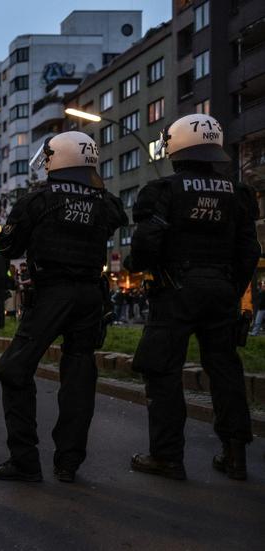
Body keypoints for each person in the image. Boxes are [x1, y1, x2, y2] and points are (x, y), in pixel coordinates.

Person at [0, 131, 126, 484]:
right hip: (91, 296)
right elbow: (113, 222)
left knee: (14, 371)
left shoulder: (39, 199)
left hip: (51, 295)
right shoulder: (105, 202)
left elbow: (7, 246)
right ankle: (68, 462)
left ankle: (25, 460)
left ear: (56, 159)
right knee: (79, 376)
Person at [128, 114, 260, 481]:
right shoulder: (240, 193)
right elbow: (250, 251)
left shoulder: (164, 191)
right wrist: (232, 290)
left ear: (177, 148)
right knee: (225, 369)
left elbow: (145, 243)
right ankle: (235, 456)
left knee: (162, 370)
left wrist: (146, 267)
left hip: (175, 291)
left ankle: (167, 457)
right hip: (222, 291)